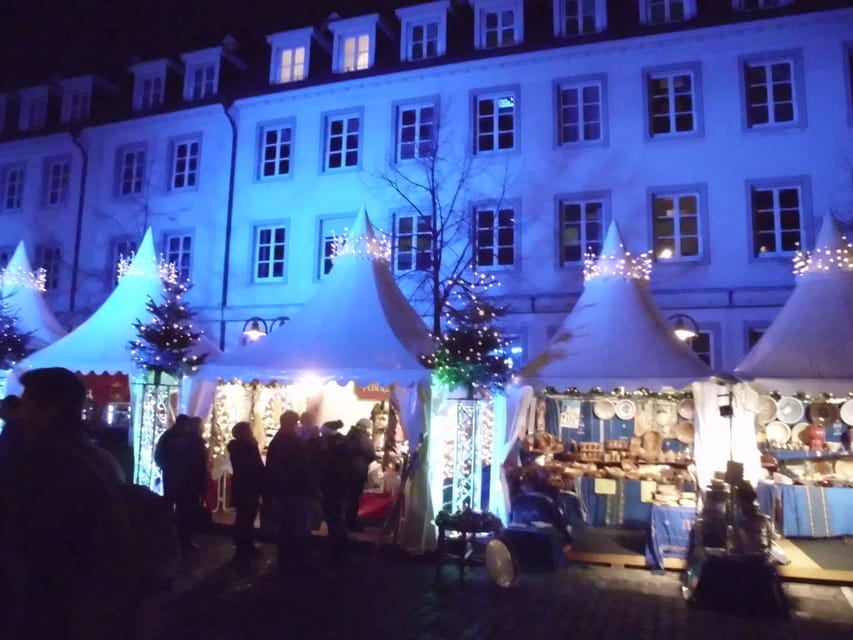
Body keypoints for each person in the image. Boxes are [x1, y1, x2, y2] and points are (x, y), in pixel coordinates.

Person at [0, 368, 142, 639]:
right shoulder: (100, 459)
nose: (21, 411)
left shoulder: (42, 462)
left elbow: (28, 537)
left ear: (49, 409)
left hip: (48, 601)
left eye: (27, 403)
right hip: (88, 602)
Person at [265, 410, 315, 577]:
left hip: (282, 489)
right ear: (292, 424)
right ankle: (295, 560)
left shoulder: (277, 442)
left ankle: (286, 559)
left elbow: (271, 467)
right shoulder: (292, 442)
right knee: (296, 525)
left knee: (286, 526)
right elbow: (302, 468)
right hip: (293, 489)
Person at [154, 413, 209, 552]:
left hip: (177, 479)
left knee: (179, 510)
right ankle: (177, 539)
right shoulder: (185, 440)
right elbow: (197, 464)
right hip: (181, 481)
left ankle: (176, 539)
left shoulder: (174, 438)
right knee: (182, 510)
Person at [227, 421, 264, 558]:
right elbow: (252, 466)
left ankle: (244, 543)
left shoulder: (239, 447)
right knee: (246, 516)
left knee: (245, 516)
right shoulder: (244, 448)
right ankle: (244, 544)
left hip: (243, 485)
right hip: (247, 486)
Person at [317, 419, 349, 565]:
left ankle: (337, 548)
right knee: (334, 517)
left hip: (333, 487)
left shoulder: (335, 445)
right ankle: (337, 547)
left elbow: (330, 467)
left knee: (334, 517)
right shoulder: (340, 442)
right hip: (336, 486)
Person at [345, 417, 377, 532]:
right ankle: (352, 524)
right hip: (358, 472)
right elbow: (371, 454)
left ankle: (346, 523)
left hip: (346, 472)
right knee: (354, 499)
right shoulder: (363, 439)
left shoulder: (348, 436)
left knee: (348, 499)